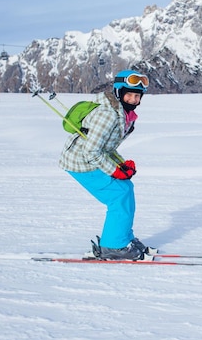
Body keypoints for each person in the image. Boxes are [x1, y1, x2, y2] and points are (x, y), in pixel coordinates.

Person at [59, 70, 151, 260]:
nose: (133, 99)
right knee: (119, 195)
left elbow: (105, 146)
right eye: (129, 94)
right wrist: (114, 171)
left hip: (89, 158)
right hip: (81, 162)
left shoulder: (122, 114)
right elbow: (91, 151)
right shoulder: (108, 115)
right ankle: (113, 246)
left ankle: (123, 238)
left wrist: (121, 164)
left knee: (125, 188)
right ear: (119, 93)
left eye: (137, 96)